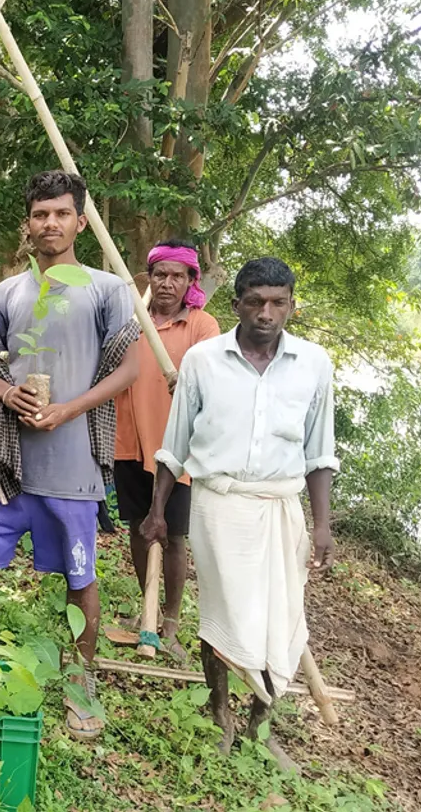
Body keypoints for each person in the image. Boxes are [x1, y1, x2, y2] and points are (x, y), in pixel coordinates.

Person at [0, 170, 140, 742]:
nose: (49, 223)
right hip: (6, 457)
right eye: (39, 214)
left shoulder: (107, 289)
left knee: (80, 575)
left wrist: (70, 409)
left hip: (74, 462)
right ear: (28, 224)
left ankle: (81, 683)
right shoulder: (8, 292)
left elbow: (130, 368)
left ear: (81, 221)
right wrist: (7, 392)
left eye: (60, 213)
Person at [146, 256, 336, 772]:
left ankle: (260, 722)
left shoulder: (315, 365)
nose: (267, 313)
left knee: (282, 616)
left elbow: (320, 453)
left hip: (281, 507)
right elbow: (175, 443)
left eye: (278, 303)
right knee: (224, 612)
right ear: (237, 305)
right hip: (219, 504)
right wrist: (157, 510)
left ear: (292, 306)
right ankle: (219, 714)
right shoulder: (204, 360)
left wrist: (321, 526)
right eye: (256, 302)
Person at [113, 239, 220, 661]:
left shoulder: (201, 326)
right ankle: (148, 612)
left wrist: (192, 384)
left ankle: (171, 623)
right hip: (130, 439)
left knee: (174, 536)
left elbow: (212, 381)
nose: (167, 284)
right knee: (140, 527)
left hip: (179, 449)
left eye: (178, 276)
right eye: (160, 275)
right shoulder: (131, 320)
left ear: (191, 280)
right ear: (149, 278)